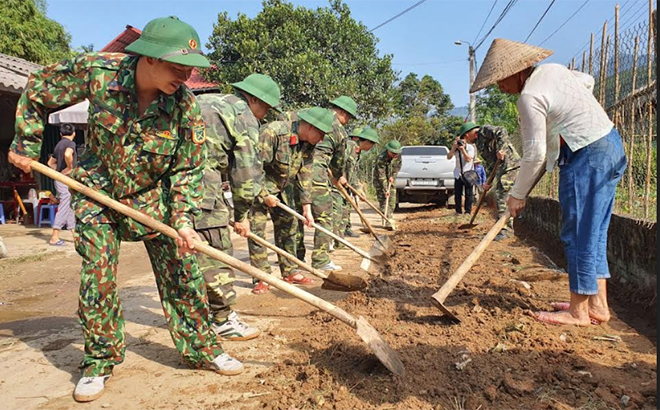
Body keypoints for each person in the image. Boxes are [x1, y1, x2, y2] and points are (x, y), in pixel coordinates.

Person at [9, 16, 243, 402]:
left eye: (190, 69)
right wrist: (26, 142)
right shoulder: (97, 73)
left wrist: (183, 220)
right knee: (97, 278)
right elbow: (38, 89)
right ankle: (98, 362)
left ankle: (205, 348)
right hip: (96, 191)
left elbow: (187, 167)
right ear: (149, 59)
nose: (185, 76)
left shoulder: (184, 107)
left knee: (183, 273)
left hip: (153, 200)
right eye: (178, 67)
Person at [470, 38, 627, 326]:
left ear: (518, 71)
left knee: (578, 233)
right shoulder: (555, 71)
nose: (498, 87)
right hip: (610, 146)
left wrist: (518, 194)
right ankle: (598, 305)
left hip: (586, 156)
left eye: (500, 80)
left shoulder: (528, 96)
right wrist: (562, 121)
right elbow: (588, 81)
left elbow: (536, 154)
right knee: (594, 231)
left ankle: (578, 311)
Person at [195, 73, 282, 341]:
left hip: (173, 182)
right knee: (216, 248)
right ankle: (221, 320)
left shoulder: (206, 100)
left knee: (187, 253)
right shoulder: (243, 116)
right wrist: (241, 216)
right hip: (201, 183)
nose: (264, 116)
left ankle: (194, 317)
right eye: (265, 108)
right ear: (253, 99)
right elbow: (245, 174)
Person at [248, 107, 334, 294]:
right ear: (310, 127)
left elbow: (305, 175)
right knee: (257, 231)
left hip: (282, 188)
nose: (321, 140)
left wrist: (307, 208)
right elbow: (252, 168)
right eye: (320, 134)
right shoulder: (273, 133)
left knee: (289, 228)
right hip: (258, 187)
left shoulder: (308, 145)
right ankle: (262, 277)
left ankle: (289, 271)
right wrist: (263, 194)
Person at [311, 96, 356, 271]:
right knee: (324, 216)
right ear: (342, 112)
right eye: (349, 117)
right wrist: (337, 177)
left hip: (296, 168)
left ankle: (292, 260)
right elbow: (339, 163)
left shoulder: (312, 116)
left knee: (297, 216)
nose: (348, 121)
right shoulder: (339, 131)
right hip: (317, 172)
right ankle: (320, 260)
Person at [475, 125, 521, 240]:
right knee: (500, 196)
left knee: (502, 196)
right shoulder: (479, 143)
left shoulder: (483, 131)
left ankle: (506, 231)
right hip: (502, 168)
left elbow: (502, 130)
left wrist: (502, 149)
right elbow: (491, 162)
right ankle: (501, 228)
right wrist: (488, 181)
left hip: (510, 165)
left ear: (467, 134)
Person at [335, 126, 380, 243]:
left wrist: (358, 189)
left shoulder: (357, 152)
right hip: (335, 184)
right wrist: (340, 175)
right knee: (337, 212)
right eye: (372, 144)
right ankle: (335, 240)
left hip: (344, 185)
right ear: (366, 141)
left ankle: (340, 238)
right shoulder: (349, 146)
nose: (372, 147)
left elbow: (353, 171)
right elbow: (337, 162)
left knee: (345, 210)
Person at [47, 123, 78, 246]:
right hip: (65, 179)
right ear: (74, 134)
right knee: (65, 204)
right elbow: (67, 154)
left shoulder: (58, 145)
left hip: (60, 179)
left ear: (61, 134)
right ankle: (55, 236)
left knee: (69, 204)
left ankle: (74, 234)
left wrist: (59, 171)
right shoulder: (71, 144)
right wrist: (69, 168)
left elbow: (50, 163)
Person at [447, 122, 479, 215]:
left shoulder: (470, 148)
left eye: (463, 141)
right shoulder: (456, 149)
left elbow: (469, 159)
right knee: (458, 194)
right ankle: (458, 211)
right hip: (458, 174)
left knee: (469, 194)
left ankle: (468, 211)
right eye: (460, 141)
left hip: (468, 174)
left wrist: (463, 150)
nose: (461, 142)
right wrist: (454, 148)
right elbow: (448, 157)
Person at [373, 140, 402, 229]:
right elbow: (381, 175)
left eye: (396, 153)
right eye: (392, 153)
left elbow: (397, 167)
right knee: (384, 201)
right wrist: (385, 189)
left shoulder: (398, 157)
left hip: (391, 181)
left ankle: (389, 217)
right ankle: (387, 220)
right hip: (380, 182)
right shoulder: (381, 158)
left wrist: (393, 176)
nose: (394, 155)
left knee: (392, 201)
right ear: (388, 150)